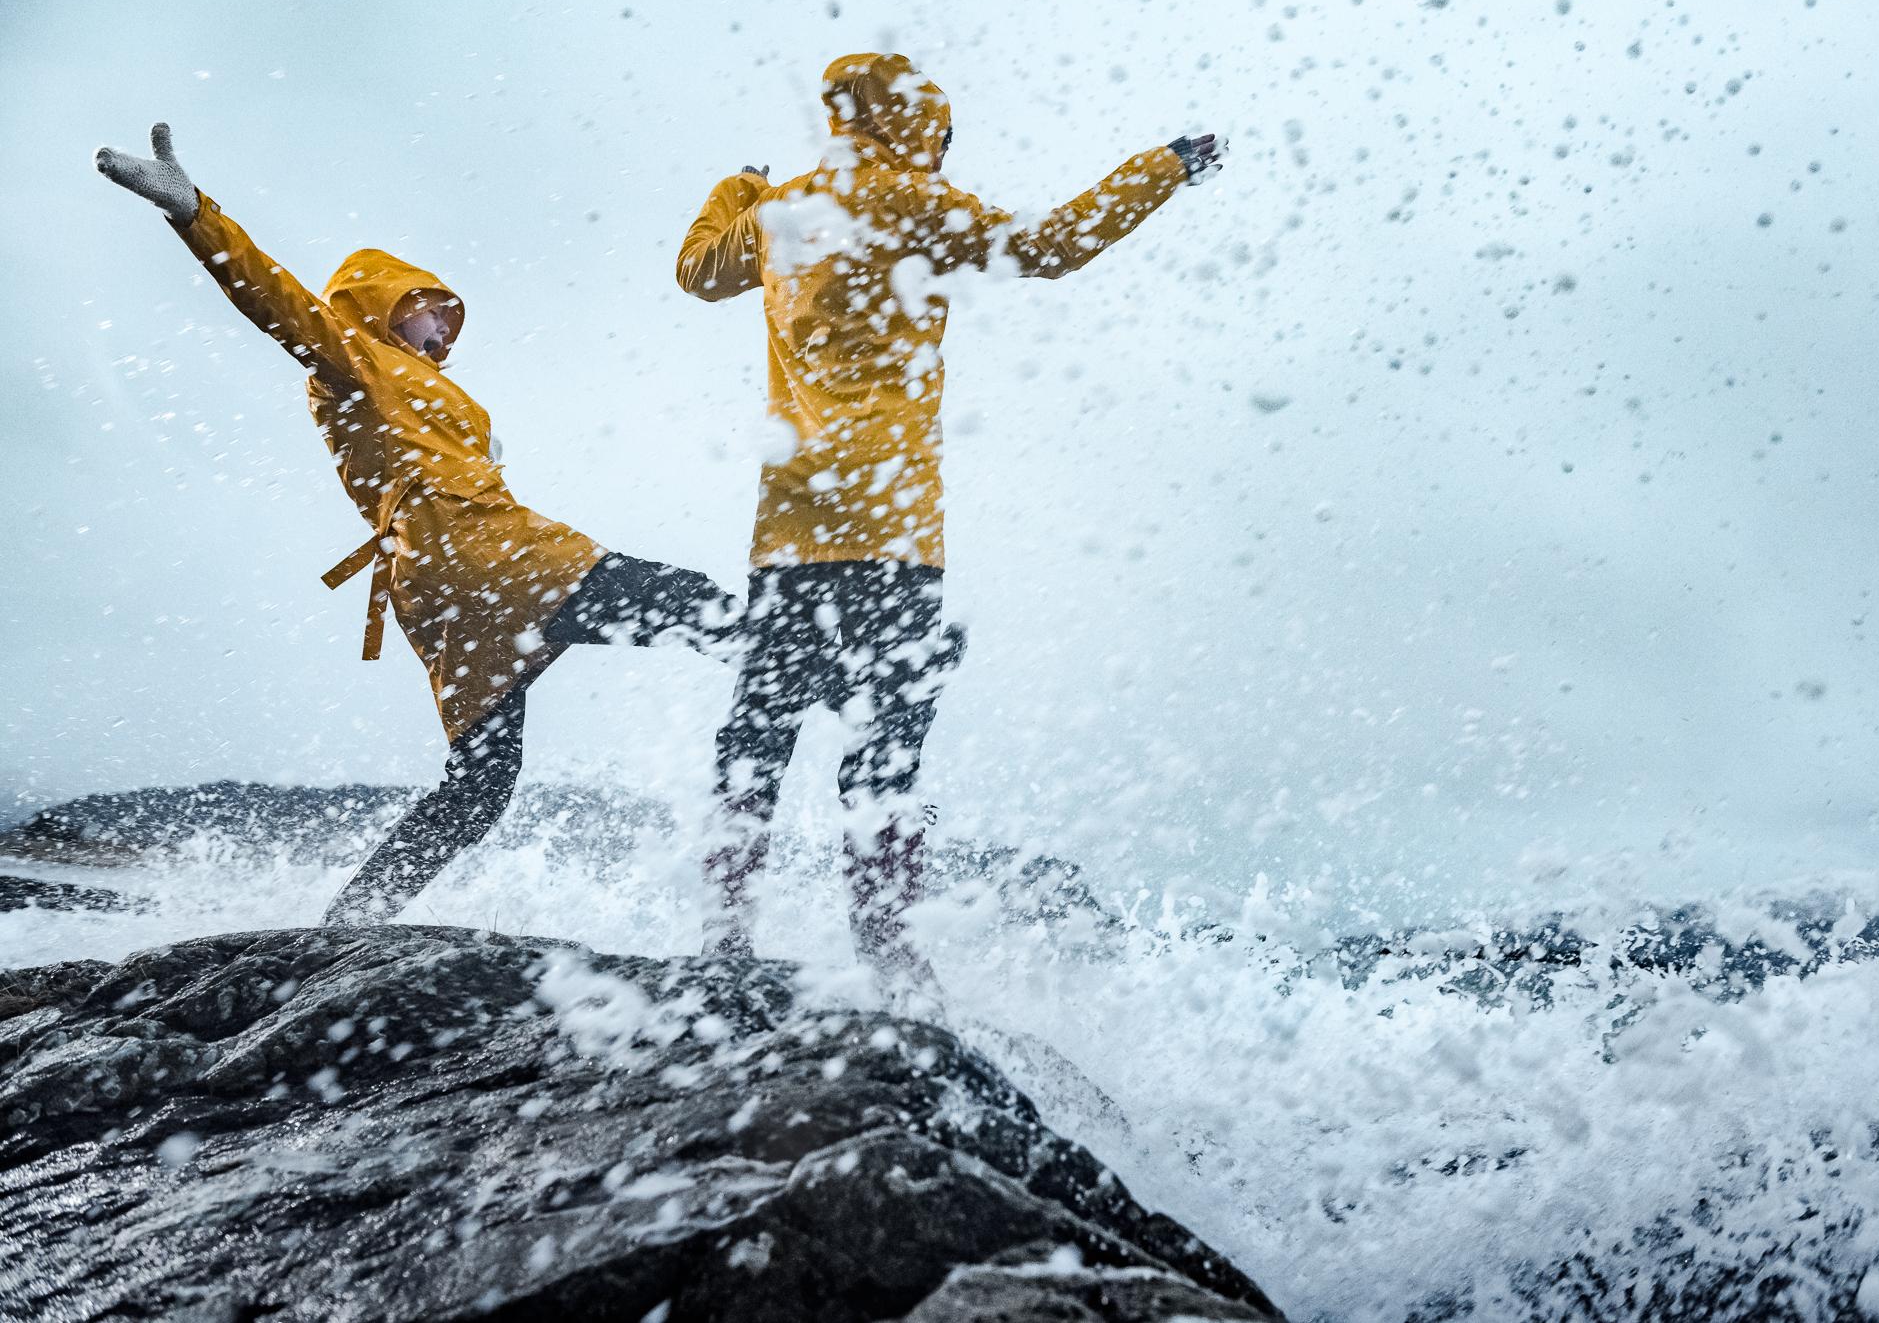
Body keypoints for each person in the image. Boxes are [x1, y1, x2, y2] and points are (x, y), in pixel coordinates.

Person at [676, 53, 1224, 999]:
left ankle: (722, 939)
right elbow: (1054, 244)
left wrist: (744, 186)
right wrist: (1164, 164)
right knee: (885, 745)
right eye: (940, 135)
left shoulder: (779, 216)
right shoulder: (912, 202)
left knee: (756, 735)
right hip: (894, 527)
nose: (942, 152)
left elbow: (694, 271)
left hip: (791, 529)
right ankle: (889, 952)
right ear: (914, 124)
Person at [95, 123, 741, 925]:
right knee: (688, 598)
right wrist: (196, 213)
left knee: (477, 791)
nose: (447, 328)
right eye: (435, 310)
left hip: (434, 586)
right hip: (482, 548)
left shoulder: (398, 384)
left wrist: (473, 443)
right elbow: (278, 301)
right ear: (391, 304)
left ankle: (351, 921)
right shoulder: (353, 356)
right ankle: (809, 665)